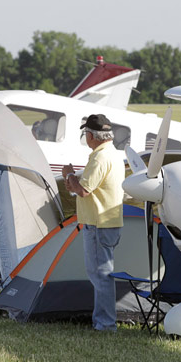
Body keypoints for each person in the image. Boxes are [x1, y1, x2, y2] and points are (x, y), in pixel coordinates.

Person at [62, 114, 124, 331]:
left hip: (98, 223)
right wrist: (75, 183)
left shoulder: (99, 158)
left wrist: (69, 175)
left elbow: (83, 190)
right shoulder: (113, 154)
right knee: (102, 274)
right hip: (109, 221)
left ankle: (105, 324)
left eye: (85, 134)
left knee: (101, 275)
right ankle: (103, 321)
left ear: (91, 135)